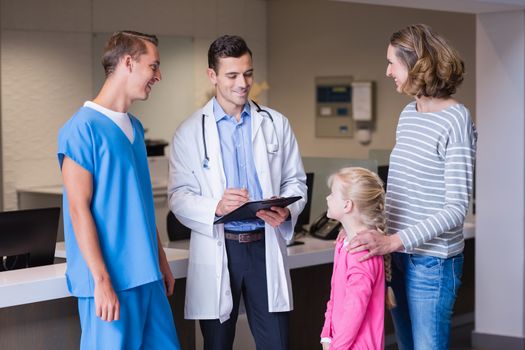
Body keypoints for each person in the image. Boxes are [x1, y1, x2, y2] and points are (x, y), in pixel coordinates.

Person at [168, 35, 307, 350]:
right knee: (217, 344)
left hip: (264, 246)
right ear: (212, 75)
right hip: (222, 247)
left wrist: (288, 210)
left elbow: (296, 182)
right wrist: (216, 206)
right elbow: (178, 196)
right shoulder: (190, 132)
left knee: (277, 343)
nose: (243, 83)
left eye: (248, 73)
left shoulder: (276, 124)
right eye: (232, 75)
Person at [348, 24, 477, 350]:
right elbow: (401, 192)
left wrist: (393, 240)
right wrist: (364, 226)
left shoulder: (455, 119)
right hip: (399, 256)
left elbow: (456, 208)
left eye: (393, 63)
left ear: (417, 64)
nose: (388, 71)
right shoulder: (409, 114)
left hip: (432, 263)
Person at [57, 31, 180, 350]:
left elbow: (138, 204)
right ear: (128, 62)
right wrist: (100, 280)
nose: (159, 75)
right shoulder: (81, 128)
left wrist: (161, 259)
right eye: (153, 66)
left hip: (147, 277)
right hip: (109, 281)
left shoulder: (135, 129)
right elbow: (77, 209)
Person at [320, 167, 394, 350]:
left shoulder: (361, 252)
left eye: (332, 194)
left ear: (347, 205)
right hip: (340, 343)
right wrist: (327, 335)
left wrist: (337, 347)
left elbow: (354, 310)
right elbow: (335, 297)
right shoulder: (344, 243)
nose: (327, 198)